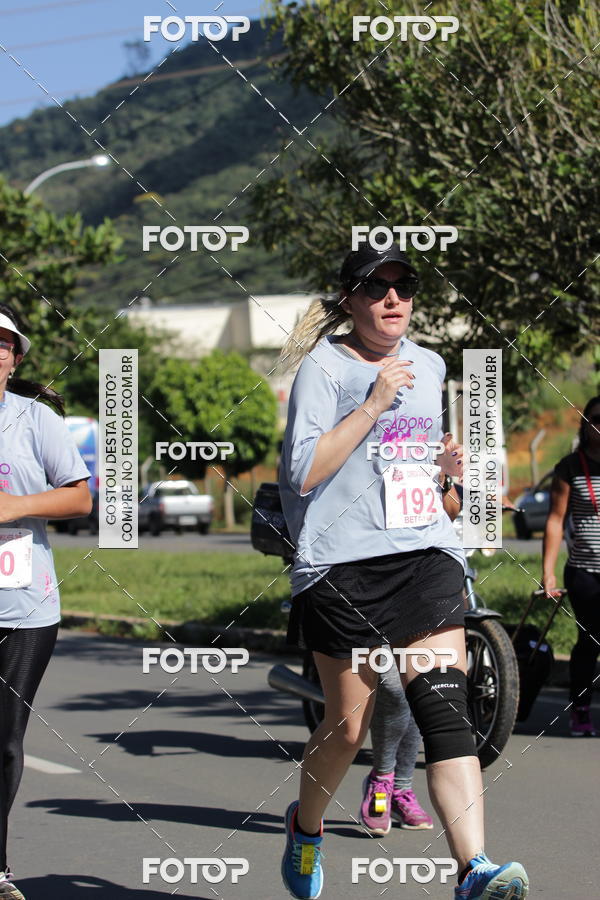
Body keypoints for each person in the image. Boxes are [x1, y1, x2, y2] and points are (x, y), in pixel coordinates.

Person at [278, 244, 528, 900]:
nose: (393, 300)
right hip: (343, 566)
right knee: (347, 729)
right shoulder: (324, 370)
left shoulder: (430, 362)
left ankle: (474, 869)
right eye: (376, 288)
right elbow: (303, 473)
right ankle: (305, 830)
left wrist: (446, 475)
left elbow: (412, 477)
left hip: (425, 555)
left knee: (446, 709)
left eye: (404, 287)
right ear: (349, 299)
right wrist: (372, 403)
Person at [0, 304, 92, 899]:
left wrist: (15, 507)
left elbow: (81, 499)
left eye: (5, 346)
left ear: (14, 361)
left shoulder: (34, 420)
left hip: (24, 610)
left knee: (3, 739)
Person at [360, 485, 462, 836]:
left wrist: (467, 491)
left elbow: (447, 510)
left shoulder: (432, 444)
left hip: (422, 579)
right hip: (367, 578)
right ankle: (382, 777)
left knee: (420, 687)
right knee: (390, 686)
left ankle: (399, 787)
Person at [543, 394, 600, 737]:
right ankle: (580, 709)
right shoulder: (570, 466)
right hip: (585, 571)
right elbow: (554, 520)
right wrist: (548, 571)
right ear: (586, 422)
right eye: (596, 418)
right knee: (590, 641)